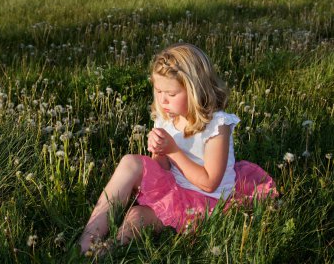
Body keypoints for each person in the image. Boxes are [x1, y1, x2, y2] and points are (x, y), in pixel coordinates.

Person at [78, 43, 278, 255]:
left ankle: (107, 251)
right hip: (173, 188)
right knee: (130, 161)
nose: (163, 100)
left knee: (137, 216)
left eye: (171, 93)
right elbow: (162, 169)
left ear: (194, 90)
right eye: (158, 91)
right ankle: (87, 241)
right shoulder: (166, 117)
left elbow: (210, 183)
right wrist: (159, 152)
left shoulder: (217, 126)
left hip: (205, 201)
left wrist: (173, 150)